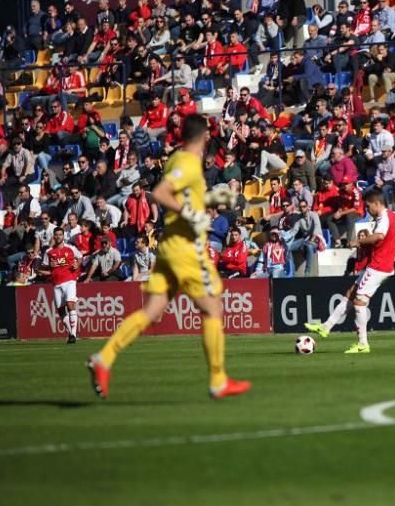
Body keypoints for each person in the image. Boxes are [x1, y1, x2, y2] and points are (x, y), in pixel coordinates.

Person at [87, 115, 251, 401]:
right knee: (212, 308)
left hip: (168, 246)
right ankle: (217, 380)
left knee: (152, 312)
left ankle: (105, 358)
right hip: (185, 249)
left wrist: (210, 200)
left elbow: (180, 195)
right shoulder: (188, 162)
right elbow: (160, 193)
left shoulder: (176, 159)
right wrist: (191, 214)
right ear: (204, 137)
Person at [305, 187, 395, 353]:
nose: (367, 210)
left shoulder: (384, 217)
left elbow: (379, 236)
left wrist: (359, 242)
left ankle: (363, 344)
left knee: (359, 302)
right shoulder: (394, 216)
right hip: (381, 266)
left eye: (368, 206)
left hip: (378, 266)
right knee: (351, 293)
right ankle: (326, 327)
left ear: (376, 203)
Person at [38, 227, 82, 344]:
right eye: (56, 235)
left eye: (60, 235)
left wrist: (77, 265)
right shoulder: (49, 252)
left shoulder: (71, 248)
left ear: (63, 236)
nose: (58, 237)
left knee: (70, 304)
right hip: (56, 283)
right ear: (54, 236)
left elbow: (80, 257)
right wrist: (45, 268)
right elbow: (44, 269)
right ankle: (72, 333)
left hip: (70, 280)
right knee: (61, 310)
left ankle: (73, 334)